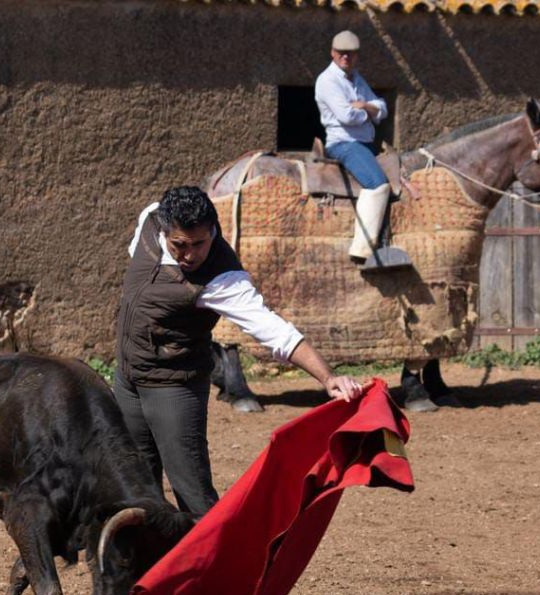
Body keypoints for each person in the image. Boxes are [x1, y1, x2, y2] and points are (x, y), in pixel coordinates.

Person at [114, 186, 364, 520]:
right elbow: (138, 262)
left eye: (199, 244)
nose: (190, 255)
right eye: (180, 245)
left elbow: (273, 329)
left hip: (173, 387)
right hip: (127, 381)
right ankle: (150, 555)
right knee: (133, 485)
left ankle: (215, 554)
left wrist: (327, 377)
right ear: (164, 230)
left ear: (213, 231)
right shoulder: (151, 218)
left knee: (193, 493)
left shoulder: (223, 278)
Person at [314, 29, 391, 263]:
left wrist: (364, 106)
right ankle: (362, 250)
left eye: (350, 53)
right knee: (377, 184)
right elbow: (347, 116)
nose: (345, 57)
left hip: (365, 143)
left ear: (356, 55)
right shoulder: (328, 80)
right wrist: (370, 112)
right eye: (341, 52)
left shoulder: (356, 78)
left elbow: (383, 108)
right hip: (344, 143)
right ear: (332, 53)